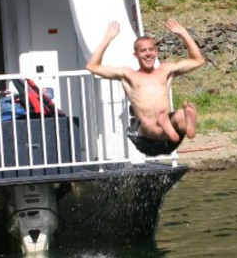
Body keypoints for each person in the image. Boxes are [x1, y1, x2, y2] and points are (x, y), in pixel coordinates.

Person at [86, 19, 205, 156]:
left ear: (156, 52)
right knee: (147, 122)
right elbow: (92, 67)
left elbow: (198, 60)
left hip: (170, 138)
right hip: (147, 139)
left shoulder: (166, 70)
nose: (148, 54)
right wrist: (108, 38)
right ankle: (167, 128)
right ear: (135, 55)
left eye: (151, 50)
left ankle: (187, 129)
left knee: (180, 115)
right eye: (143, 51)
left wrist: (183, 33)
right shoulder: (128, 75)